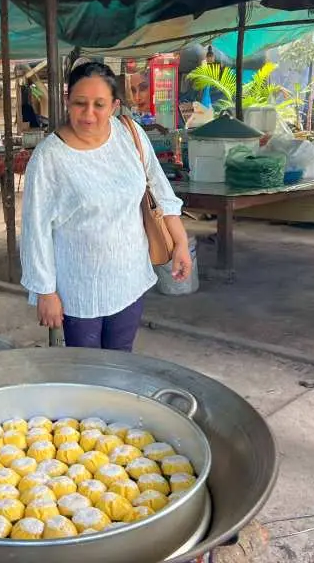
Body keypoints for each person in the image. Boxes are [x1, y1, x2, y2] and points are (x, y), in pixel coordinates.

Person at [20, 62, 192, 351]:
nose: (89, 114)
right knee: (88, 372)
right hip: (79, 286)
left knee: (122, 360)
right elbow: (35, 230)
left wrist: (181, 244)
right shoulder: (49, 157)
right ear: (67, 101)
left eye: (99, 104)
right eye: (80, 103)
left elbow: (161, 192)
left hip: (129, 277)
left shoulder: (129, 134)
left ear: (114, 105)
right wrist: (45, 291)